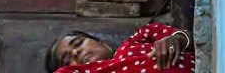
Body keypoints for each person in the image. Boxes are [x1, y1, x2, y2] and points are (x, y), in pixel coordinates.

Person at [45, 23, 195, 73]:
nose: (76, 53)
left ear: (102, 43)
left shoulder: (139, 37)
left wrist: (177, 39)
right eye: (67, 59)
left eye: (78, 43)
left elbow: (196, 38)